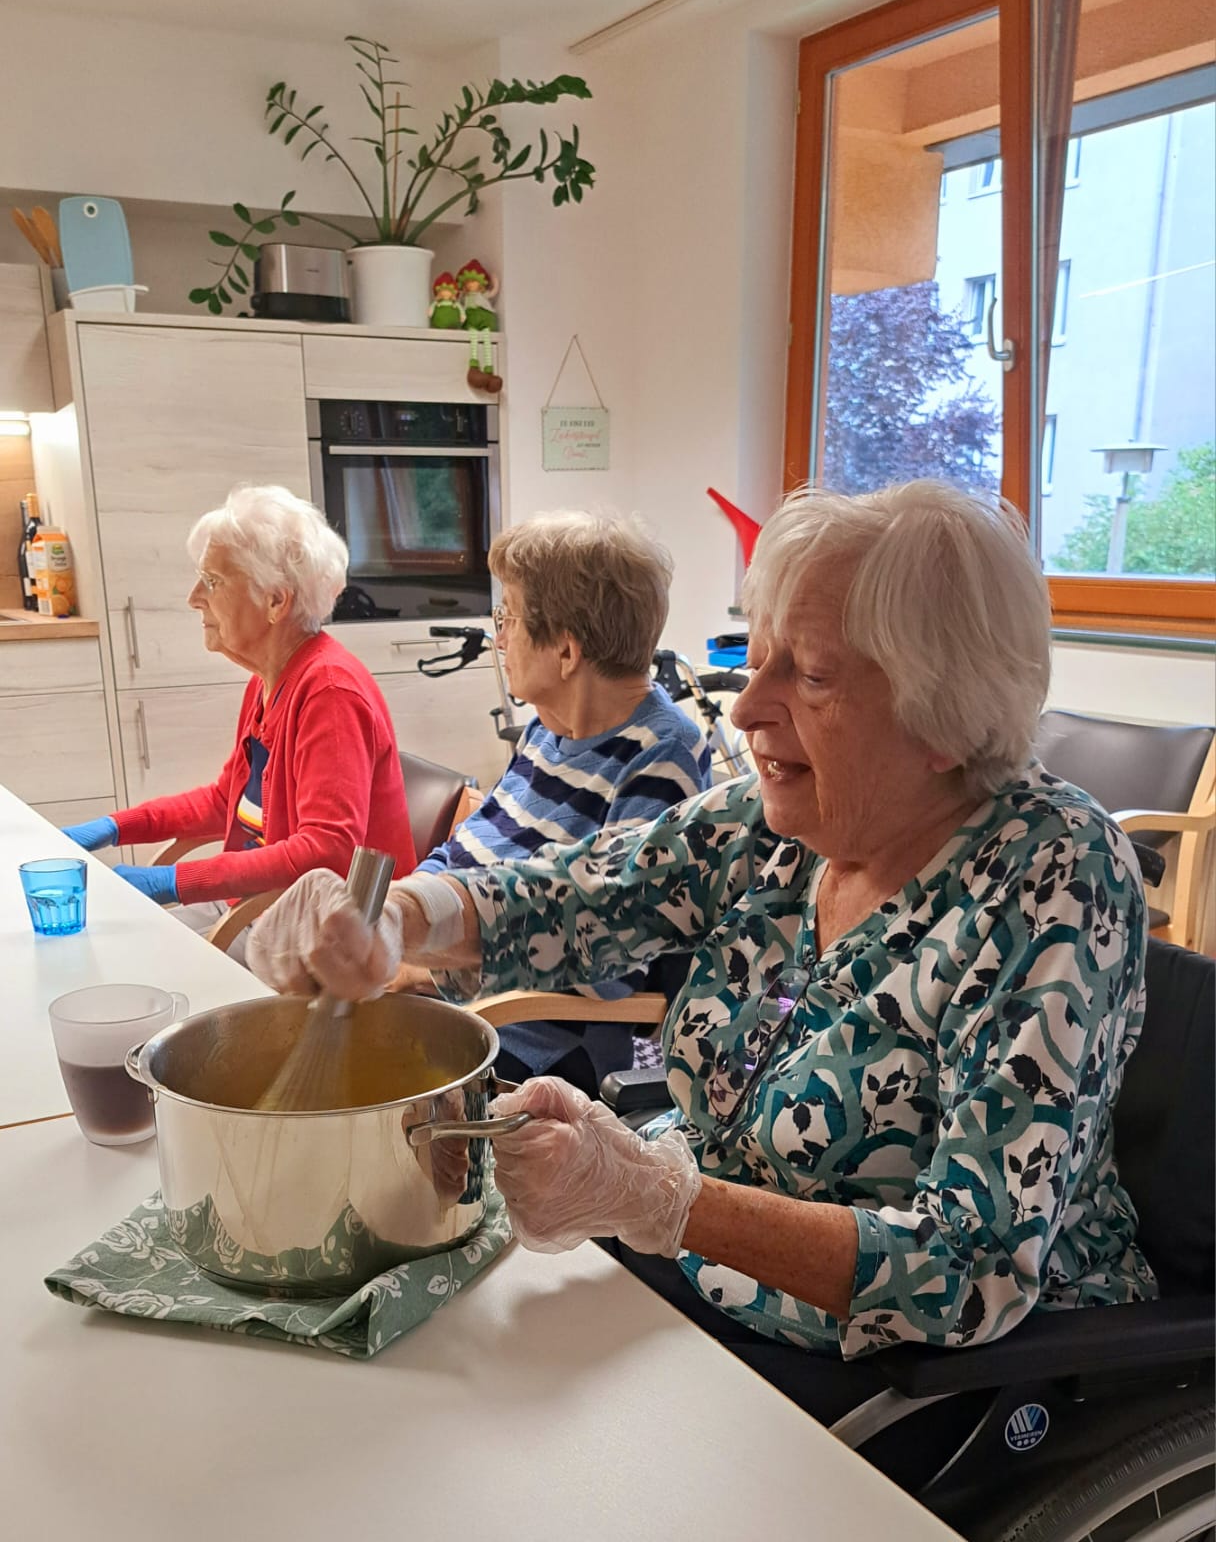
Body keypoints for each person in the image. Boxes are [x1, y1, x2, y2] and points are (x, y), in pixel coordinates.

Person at [247, 480, 1155, 1424]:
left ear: (944, 714)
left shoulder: (1054, 875)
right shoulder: (773, 824)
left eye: (808, 674)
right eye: (756, 660)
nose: (749, 708)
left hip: (906, 1372)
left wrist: (657, 1199)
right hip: (703, 1288)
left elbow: (968, 1271)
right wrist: (398, 915)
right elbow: (576, 891)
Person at [392, 510, 712, 1093]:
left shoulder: (662, 755)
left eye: (507, 616)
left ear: (565, 652)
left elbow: (611, 962)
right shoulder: (547, 729)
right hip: (469, 1005)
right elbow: (464, 849)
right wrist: (403, 912)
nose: (499, 635)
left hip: (539, 1046)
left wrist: (430, 966)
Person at [64, 485, 416, 945]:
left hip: (322, 943)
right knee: (108, 942)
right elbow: (223, 802)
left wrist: (173, 881)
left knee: (127, 961)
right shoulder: (269, 680)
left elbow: (327, 851)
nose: (194, 597)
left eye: (212, 581)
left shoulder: (329, 692)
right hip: (259, 909)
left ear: (275, 601)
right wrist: (115, 827)